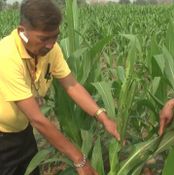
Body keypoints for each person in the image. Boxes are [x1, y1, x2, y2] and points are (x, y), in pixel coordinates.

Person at [0, 0, 120, 175]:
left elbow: (72, 85)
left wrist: (102, 116)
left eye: (55, 36)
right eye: (43, 38)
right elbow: (38, 119)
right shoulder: (6, 56)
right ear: (22, 32)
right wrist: (79, 159)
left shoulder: (51, 50)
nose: (50, 44)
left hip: (23, 132)